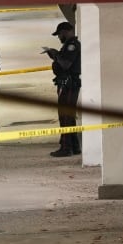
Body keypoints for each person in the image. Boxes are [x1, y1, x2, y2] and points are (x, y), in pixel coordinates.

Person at [42, 21, 82, 157]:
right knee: (68, 116)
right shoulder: (68, 46)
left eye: (59, 35)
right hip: (66, 83)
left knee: (65, 116)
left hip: (69, 84)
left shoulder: (72, 46)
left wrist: (55, 54)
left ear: (65, 32)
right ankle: (74, 146)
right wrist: (54, 55)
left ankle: (66, 148)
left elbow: (65, 64)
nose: (59, 37)